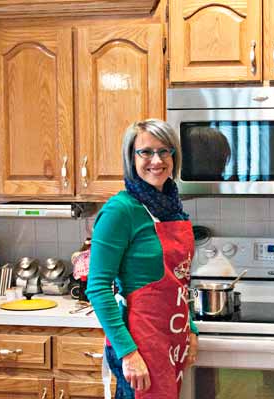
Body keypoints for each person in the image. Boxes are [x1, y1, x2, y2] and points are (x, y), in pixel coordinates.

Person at [87, 119, 199, 398]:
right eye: (146, 152)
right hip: (138, 344)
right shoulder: (120, 210)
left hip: (172, 338)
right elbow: (98, 288)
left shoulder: (173, 209)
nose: (156, 160)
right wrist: (128, 354)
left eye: (164, 151)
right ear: (131, 158)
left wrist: (192, 328)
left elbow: (180, 280)